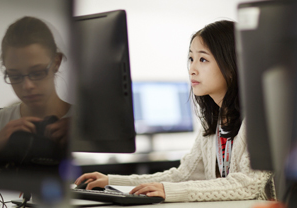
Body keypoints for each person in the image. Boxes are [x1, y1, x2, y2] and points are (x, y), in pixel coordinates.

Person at [74, 20, 276, 202]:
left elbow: (247, 184)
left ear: (231, 66)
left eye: (203, 59)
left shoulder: (259, 118)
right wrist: (112, 180)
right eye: (191, 59)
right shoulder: (214, 124)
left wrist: (170, 191)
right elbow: (183, 175)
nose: (192, 69)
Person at [0, 16, 71, 168]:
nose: (27, 85)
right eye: (15, 76)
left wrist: (80, 142)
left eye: (37, 73)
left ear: (56, 62)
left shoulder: (82, 124)